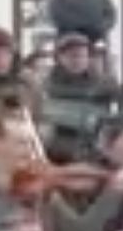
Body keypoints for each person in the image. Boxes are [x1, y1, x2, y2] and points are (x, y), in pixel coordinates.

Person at [39, 32, 118, 164]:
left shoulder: (105, 84)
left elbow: (114, 117)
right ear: (59, 58)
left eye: (81, 55)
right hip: (57, 152)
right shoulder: (46, 85)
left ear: (89, 57)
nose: (76, 60)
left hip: (95, 151)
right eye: (71, 56)